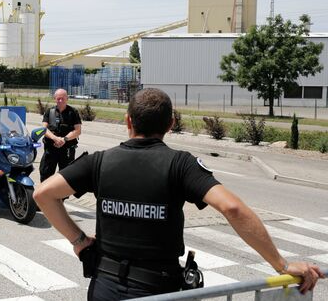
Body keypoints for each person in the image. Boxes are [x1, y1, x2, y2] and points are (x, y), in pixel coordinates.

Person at [34, 88, 324, 300]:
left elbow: (44, 194)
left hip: (104, 287)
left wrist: (80, 240)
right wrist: (282, 265)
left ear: (128, 122)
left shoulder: (99, 161)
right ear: (170, 125)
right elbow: (232, 209)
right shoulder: (180, 164)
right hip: (159, 290)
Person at [40, 88, 82, 182]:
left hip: (66, 150)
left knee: (66, 177)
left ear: (67, 98)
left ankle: (61, 197)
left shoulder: (73, 112)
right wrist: (55, 138)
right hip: (51, 149)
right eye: (58, 98)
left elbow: (78, 131)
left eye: (63, 98)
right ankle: (46, 195)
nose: (60, 100)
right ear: (55, 98)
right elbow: (44, 129)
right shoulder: (49, 111)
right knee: (45, 174)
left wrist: (64, 139)